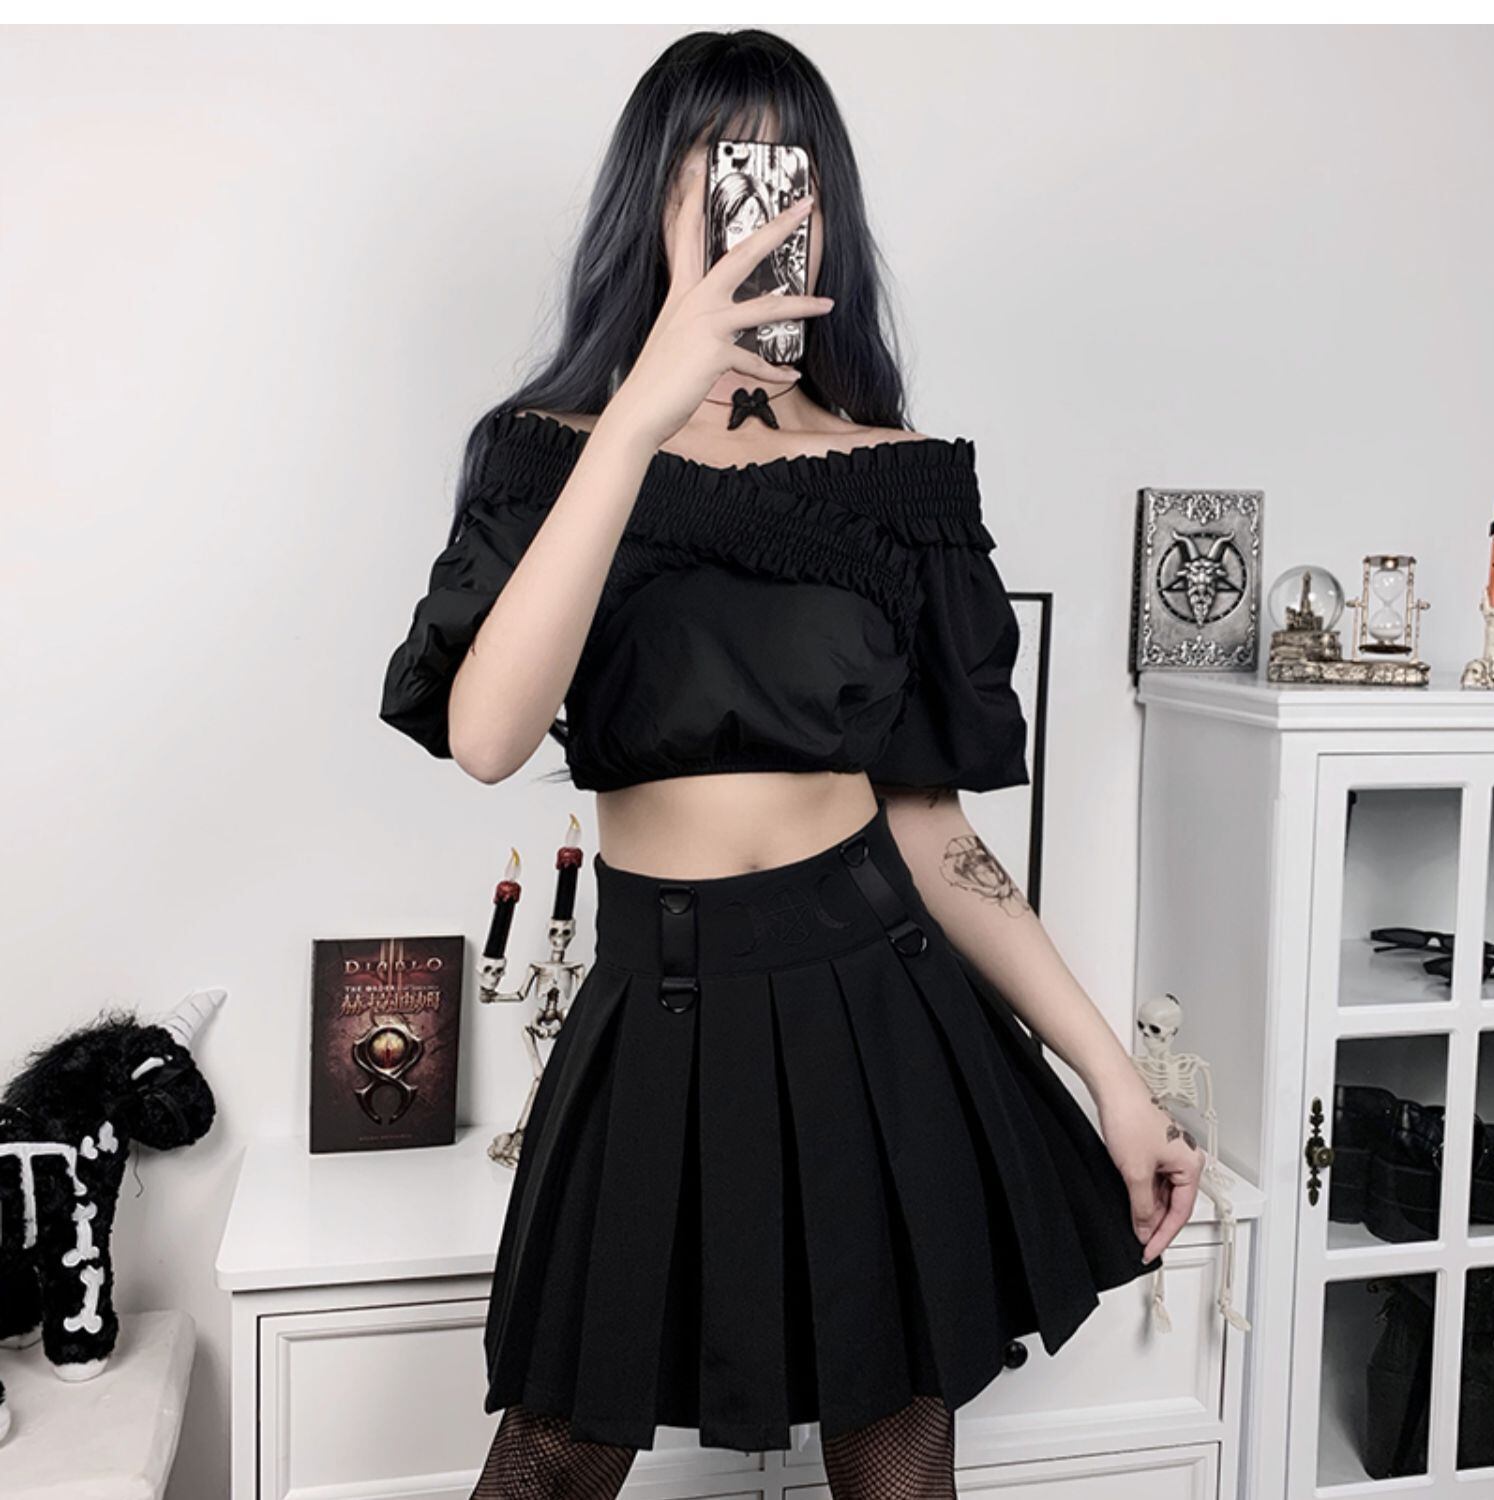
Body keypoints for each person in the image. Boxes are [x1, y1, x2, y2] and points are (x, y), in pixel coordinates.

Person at [379, 28, 1205, 1500]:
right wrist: (641, 414)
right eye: (731, 165)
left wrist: (1116, 1079)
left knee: (897, 1457)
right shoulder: (546, 452)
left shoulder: (897, 474)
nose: (769, 202)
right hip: (657, 1002)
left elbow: (935, 830)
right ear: (657, 194)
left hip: (879, 1001)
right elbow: (489, 738)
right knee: (556, 1450)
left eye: (797, 171)